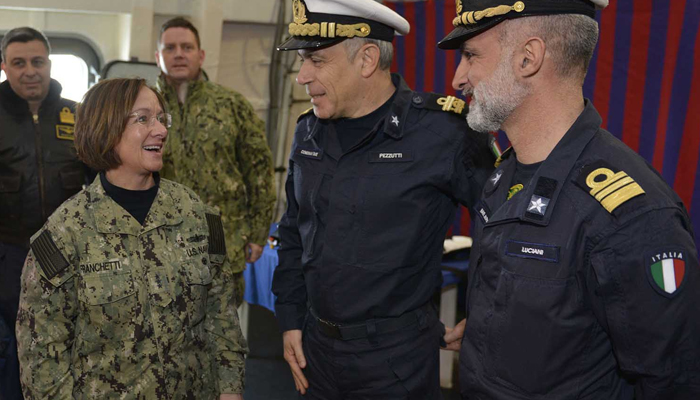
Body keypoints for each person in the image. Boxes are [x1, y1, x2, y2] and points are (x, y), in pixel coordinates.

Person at [438, 0, 700, 398]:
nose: (458, 78)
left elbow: (671, 380)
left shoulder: (631, 216)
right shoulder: (504, 173)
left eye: (471, 56)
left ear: (529, 58)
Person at [272, 0, 496, 398]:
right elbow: (293, 232)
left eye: (317, 60)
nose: (302, 76)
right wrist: (290, 318)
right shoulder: (308, 131)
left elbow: (503, 229)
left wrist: (483, 315)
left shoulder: (443, 132)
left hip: (396, 362)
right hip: (316, 352)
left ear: (367, 58)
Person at [15, 78, 248, 399]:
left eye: (161, 118)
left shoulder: (195, 213)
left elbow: (221, 313)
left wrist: (230, 389)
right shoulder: (65, 233)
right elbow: (42, 354)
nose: (161, 130)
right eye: (143, 119)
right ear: (106, 129)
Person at [155, 17, 275, 307]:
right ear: (157, 56)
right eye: (170, 48)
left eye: (187, 47)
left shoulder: (231, 104)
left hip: (224, 245)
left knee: (222, 344)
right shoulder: (145, 107)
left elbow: (258, 171)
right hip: (161, 249)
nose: (179, 54)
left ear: (201, 55)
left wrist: (259, 233)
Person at [0, 26, 90, 400]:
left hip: (65, 254)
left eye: (37, 61)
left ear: (49, 64)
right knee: (12, 347)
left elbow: (103, 182)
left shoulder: (80, 114)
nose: (29, 71)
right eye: (18, 63)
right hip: (7, 252)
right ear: (4, 66)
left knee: (64, 341)